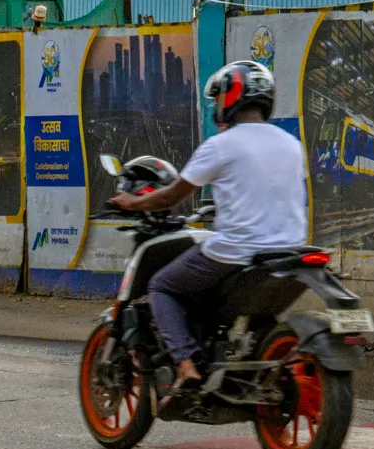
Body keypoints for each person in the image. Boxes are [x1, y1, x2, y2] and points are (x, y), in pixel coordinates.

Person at [108, 59, 308, 393]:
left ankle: (186, 365)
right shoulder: (291, 145)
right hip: (290, 251)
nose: (216, 105)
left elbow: (172, 195)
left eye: (218, 98)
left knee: (161, 286)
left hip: (237, 252)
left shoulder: (221, 144)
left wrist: (133, 202)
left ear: (231, 96)